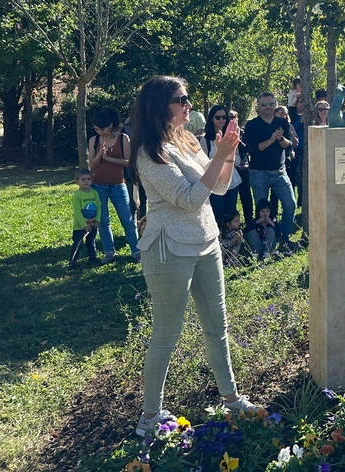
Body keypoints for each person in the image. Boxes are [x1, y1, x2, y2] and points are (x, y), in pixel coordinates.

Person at [129, 75, 256, 438]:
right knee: (166, 334)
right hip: (169, 247)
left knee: (218, 328)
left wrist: (226, 155)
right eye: (181, 100)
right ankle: (149, 419)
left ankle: (232, 401)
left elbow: (218, 185)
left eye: (188, 99)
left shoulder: (185, 140)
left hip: (206, 240)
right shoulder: (149, 153)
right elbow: (187, 198)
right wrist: (218, 155)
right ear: (159, 107)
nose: (189, 106)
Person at [243, 92, 296, 249]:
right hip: (258, 173)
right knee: (262, 210)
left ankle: (284, 238)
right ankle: (262, 241)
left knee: (290, 204)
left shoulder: (282, 123)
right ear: (258, 106)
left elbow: (289, 145)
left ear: (275, 104)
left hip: (280, 172)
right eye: (264, 104)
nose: (267, 107)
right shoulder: (252, 125)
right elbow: (253, 149)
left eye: (271, 104)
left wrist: (280, 139)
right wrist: (271, 139)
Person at [88, 107, 140, 263]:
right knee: (103, 221)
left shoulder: (123, 138)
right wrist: (99, 155)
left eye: (101, 128)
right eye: (96, 129)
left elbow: (129, 162)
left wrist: (109, 158)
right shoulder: (94, 140)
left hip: (118, 185)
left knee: (127, 219)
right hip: (97, 185)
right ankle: (109, 252)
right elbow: (91, 166)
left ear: (110, 125)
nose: (99, 132)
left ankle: (136, 251)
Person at [200, 105, 242, 223]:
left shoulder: (231, 136)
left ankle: (231, 238)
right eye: (218, 117)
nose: (221, 120)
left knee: (231, 213)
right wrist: (221, 157)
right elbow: (203, 162)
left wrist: (229, 155)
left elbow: (237, 159)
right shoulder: (205, 140)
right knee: (217, 214)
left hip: (232, 180)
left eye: (224, 117)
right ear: (211, 119)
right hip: (214, 182)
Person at [69, 168, 101, 270]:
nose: (86, 181)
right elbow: (77, 212)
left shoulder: (95, 193)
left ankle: (92, 259)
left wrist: (98, 221)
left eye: (88, 179)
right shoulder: (77, 195)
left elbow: (99, 207)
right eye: (83, 179)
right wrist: (84, 225)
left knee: (91, 242)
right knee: (78, 244)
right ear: (77, 182)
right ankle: (72, 263)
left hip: (92, 225)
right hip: (80, 226)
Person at [230, 110, 254, 226]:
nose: (232, 119)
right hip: (231, 169)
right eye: (229, 117)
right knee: (232, 198)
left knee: (246, 196)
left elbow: (248, 148)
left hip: (243, 168)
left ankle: (249, 221)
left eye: (234, 116)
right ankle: (232, 222)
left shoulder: (243, 132)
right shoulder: (224, 133)